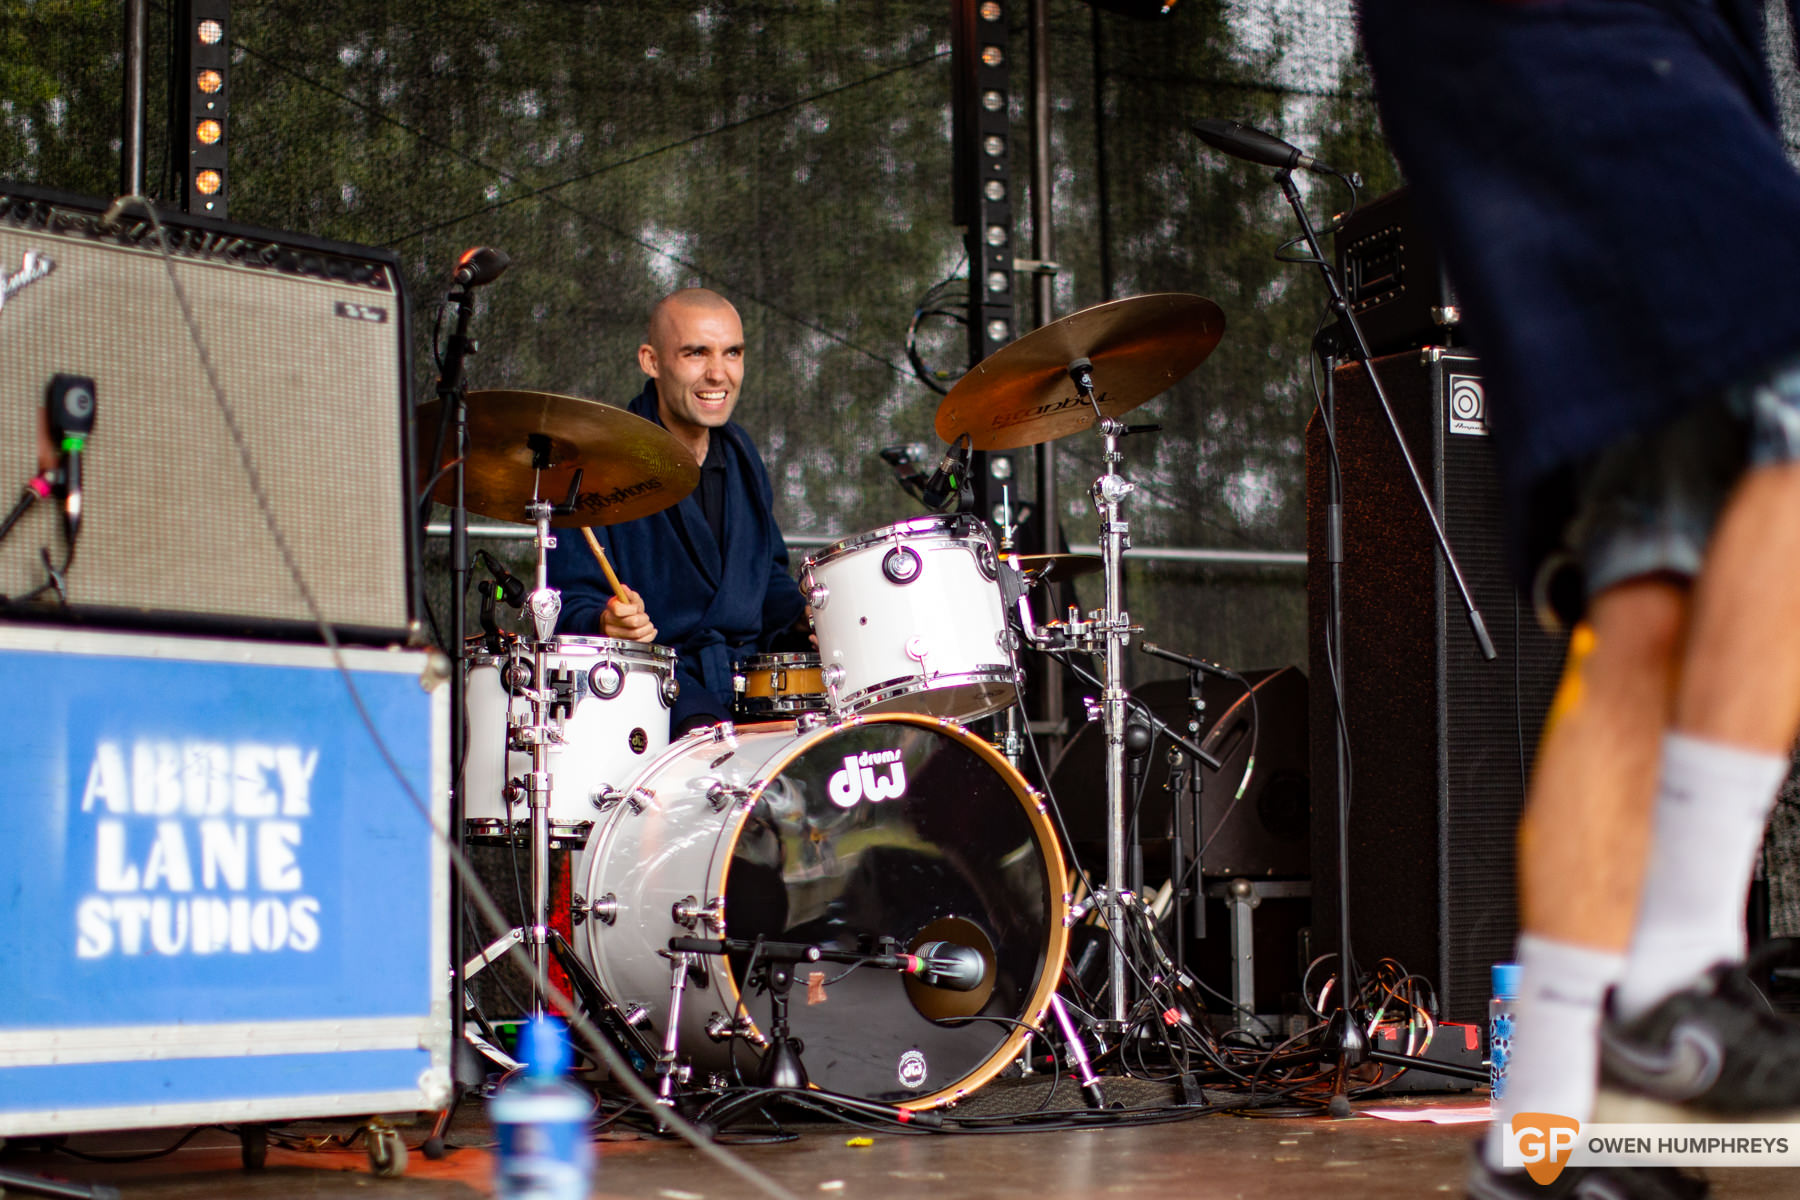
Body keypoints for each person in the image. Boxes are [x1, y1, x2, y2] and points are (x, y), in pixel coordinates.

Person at [1357, 2, 1800, 1196]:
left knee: (1652, 599)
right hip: (1577, 32)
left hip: (1633, 55)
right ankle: (1670, 997)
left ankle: (1552, 1142)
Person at [546, 287, 809, 731]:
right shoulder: (598, 463)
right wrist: (606, 618)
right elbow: (565, 603)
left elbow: (766, 580)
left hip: (752, 684)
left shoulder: (743, 453)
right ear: (651, 360)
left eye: (732, 353)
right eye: (696, 354)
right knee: (713, 754)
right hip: (655, 686)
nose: (718, 373)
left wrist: (810, 615)